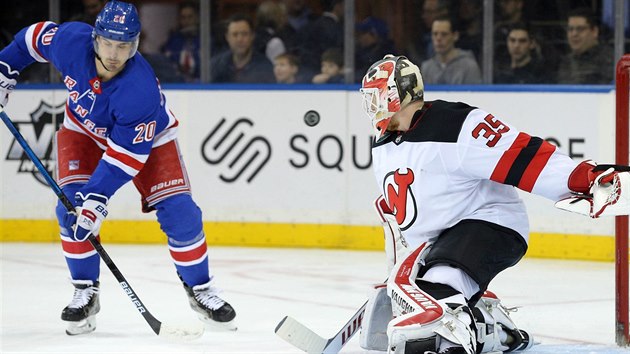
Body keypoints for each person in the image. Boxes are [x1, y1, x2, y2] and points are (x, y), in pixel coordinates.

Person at [357, 54, 630, 354]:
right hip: (441, 243)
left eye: (376, 96)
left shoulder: (455, 124)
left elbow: (522, 156)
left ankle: (460, 335)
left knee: (438, 302)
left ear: (398, 93)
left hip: (492, 224)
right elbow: (398, 220)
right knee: (418, 309)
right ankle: (494, 331)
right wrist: (402, 277)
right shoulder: (383, 148)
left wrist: (582, 178)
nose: (372, 107)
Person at [0, 1, 236, 335]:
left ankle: (201, 289)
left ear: (135, 45)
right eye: (108, 43)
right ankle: (85, 291)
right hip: (82, 130)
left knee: (181, 213)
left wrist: (96, 199)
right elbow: (30, 40)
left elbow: (125, 157)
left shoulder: (140, 91)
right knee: (70, 207)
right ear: (95, 38)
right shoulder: (70, 41)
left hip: (148, 142)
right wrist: (4, 72)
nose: (113, 53)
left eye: (123, 46)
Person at [210, 13, 274, 83]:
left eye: (244, 34)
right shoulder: (216, 66)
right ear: (227, 37)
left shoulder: (265, 67)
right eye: (235, 34)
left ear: (252, 36)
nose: (239, 39)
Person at [556, 7, 613, 84]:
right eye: (570, 29)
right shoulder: (566, 62)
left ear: (594, 31)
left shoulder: (610, 60)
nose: (574, 34)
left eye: (580, 29)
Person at [421, 16, 482, 84]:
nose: (438, 39)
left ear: (455, 36)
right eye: (435, 34)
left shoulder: (469, 67)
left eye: (444, 34)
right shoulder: (426, 68)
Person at [162, 1, 201, 82]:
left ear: (197, 18)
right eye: (183, 17)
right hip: (177, 83)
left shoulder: (204, 39)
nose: (186, 21)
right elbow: (166, 64)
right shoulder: (173, 41)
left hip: (200, 83)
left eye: (190, 17)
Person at [355, 16, 396, 83]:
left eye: (363, 32)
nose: (360, 36)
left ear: (375, 34)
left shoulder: (386, 55)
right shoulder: (363, 51)